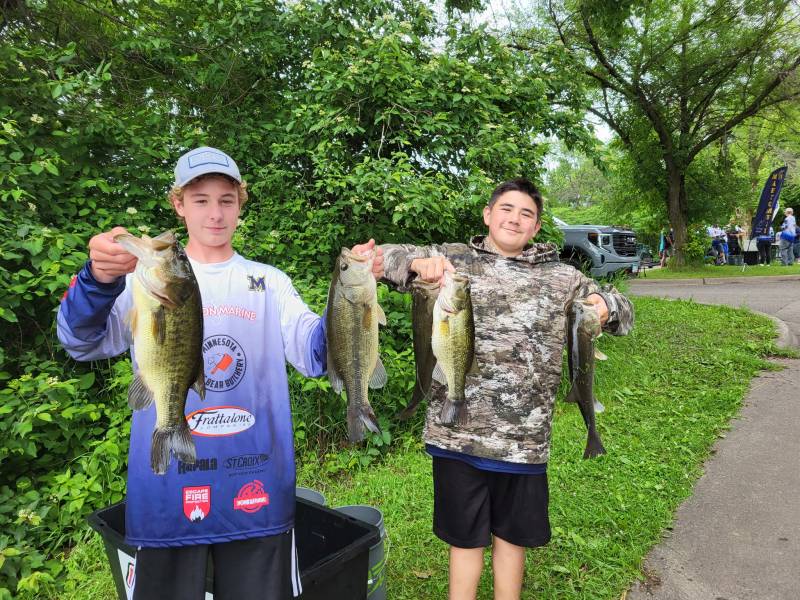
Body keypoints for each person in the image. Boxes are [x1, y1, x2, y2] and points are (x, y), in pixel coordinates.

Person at [57, 146, 383, 600]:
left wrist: (353, 298)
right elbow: (80, 341)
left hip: (257, 492)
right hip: (166, 489)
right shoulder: (139, 283)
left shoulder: (270, 282)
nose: (215, 213)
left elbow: (316, 356)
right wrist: (97, 280)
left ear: (240, 204)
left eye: (226, 200)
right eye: (201, 199)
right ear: (178, 205)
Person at [379, 179, 634, 600]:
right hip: (456, 434)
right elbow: (384, 260)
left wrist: (607, 305)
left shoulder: (564, 278)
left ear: (536, 228)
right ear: (488, 214)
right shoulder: (454, 261)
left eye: (527, 214)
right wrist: (416, 265)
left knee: (512, 539)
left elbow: (623, 313)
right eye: (506, 209)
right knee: (465, 540)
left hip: (524, 441)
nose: (515, 219)